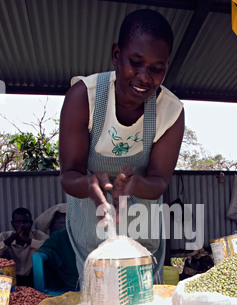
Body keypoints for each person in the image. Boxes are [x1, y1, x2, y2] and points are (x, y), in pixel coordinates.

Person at [59, 9, 185, 286]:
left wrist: (136, 184)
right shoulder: (84, 96)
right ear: (116, 55)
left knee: (141, 292)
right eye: (135, 62)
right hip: (91, 210)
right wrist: (88, 184)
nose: (143, 77)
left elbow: (160, 181)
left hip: (143, 214)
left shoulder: (170, 111)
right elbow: (69, 175)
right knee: (98, 289)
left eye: (156, 68)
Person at [0, 207, 49, 286]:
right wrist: (14, 237)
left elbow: (49, 247)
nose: (21, 226)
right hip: (10, 279)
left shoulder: (38, 235)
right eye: (18, 222)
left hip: (33, 278)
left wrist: (27, 240)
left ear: (31, 223)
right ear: (12, 224)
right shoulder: (5, 236)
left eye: (25, 222)